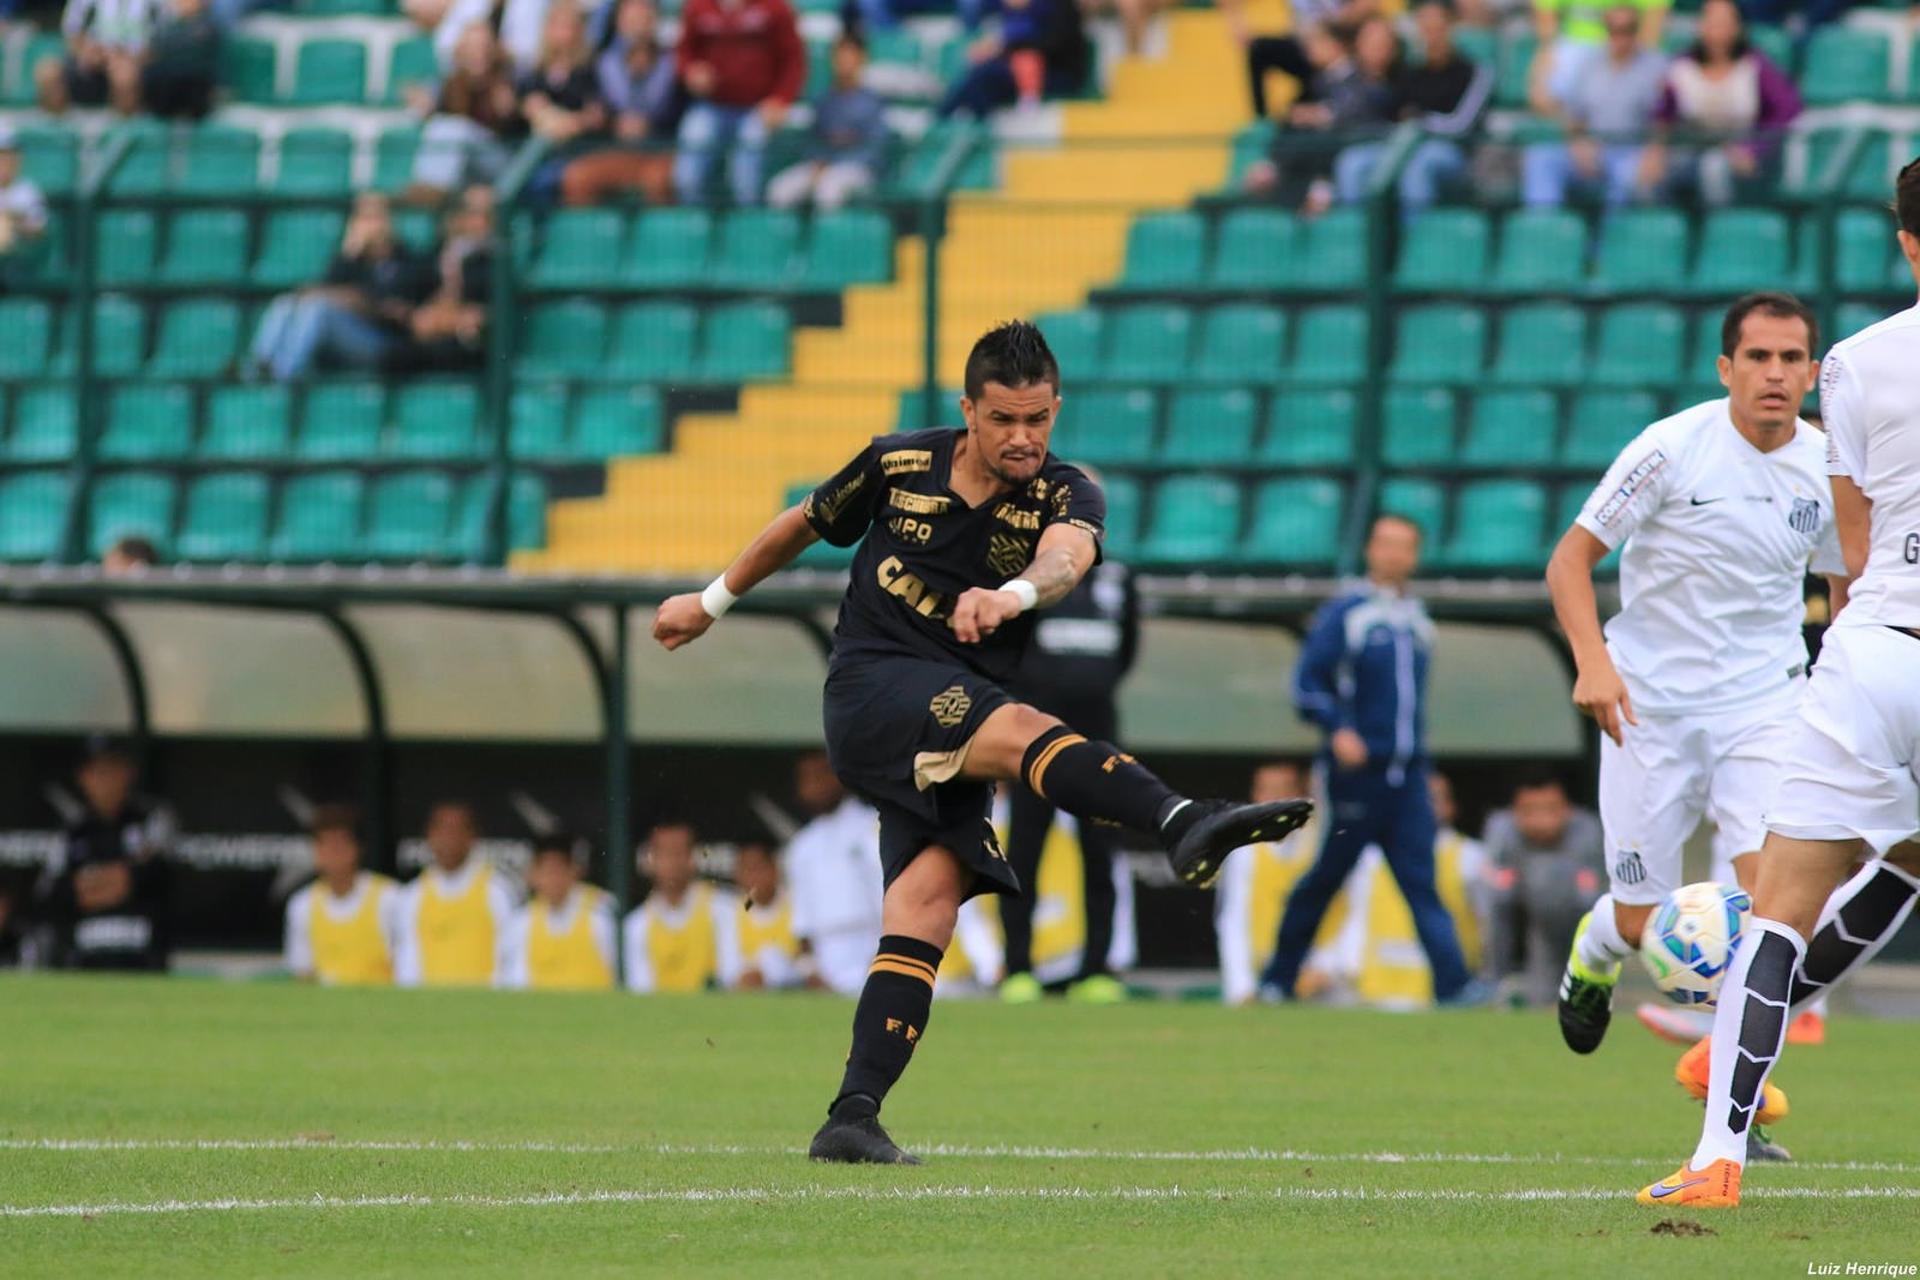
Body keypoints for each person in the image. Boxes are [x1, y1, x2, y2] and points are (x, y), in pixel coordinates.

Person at [651, 320, 1310, 1164]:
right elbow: (805, 523)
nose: (1024, 437)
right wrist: (709, 603)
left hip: (957, 707)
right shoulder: (898, 462)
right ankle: (1180, 818)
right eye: (1004, 419)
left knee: (925, 906)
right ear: (969, 411)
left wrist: (1016, 594)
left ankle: (852, 1114)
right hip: (873, 688)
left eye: (1038, 419)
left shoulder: (1069, 493)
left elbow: (1069, 558)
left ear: (1055, 410)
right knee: (1030, 730)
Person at [1546, 291, 1920, 1164]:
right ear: (1726, 369)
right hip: (1650, 706)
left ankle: (1730, 1116)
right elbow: (1571, 559)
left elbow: (1845, 580)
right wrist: (1593, 661)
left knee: (1775, 914)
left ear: (1813, 372)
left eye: (1794, 360)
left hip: (1766, 703)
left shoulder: (1829, 462)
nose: (1777, 375)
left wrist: (1843, 667)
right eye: (1759, 358)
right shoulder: (1672, 448)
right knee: (1652, 924)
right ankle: (1600, 940)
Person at [1638, 162, 1920, 1209]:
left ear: (1904, 241)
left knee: (1787, 906)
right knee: (1898, 863)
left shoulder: (1851, 362)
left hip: (1881, 636)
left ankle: (1717, 1151)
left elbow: (1855, 541)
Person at [1261, 515, 1486, 1006]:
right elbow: (1307, 684)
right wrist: (1339, 729)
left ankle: (1454, 985)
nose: (1395, 555)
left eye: (1405, 546)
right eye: (1386, 544)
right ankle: (1278, 978)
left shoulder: (1417, 619)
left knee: (1420, 881)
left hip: (1406, 776)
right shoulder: (1348, 612)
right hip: (1355, 777)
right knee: (1325, 877)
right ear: (1370, 549)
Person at [1000, 555, 1138, 1005]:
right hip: (1036, 735)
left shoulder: (1119, 578)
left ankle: (1096, 969)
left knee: (1100, 853)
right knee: (1024, 852)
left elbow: (1126, 650)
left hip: (1098, 735)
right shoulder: (1027, 569)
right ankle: (1018, 968)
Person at [247, 192, 432, 382]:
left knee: (318, 311)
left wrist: (352, 300)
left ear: (392, 221)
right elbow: (327, 289)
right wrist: (349, 254)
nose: (371, 226)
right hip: (342, 338)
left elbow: (392, 311)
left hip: (383, 344)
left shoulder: (409, 261)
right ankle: (255, 371)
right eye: (364, 218)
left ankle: (283, 378)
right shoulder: (351, 261)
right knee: (286, 303)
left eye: (376, 217)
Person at [1331, 0, 1493, 215]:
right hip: (1402, 146)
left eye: (1438, 25)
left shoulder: (1474, 70)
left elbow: (1462, 124)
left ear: (1452, 26)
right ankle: (1358, 238)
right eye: (1426, 25)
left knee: (1417, 166)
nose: (1432, 33)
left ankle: (1414, 242)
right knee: (1353, 163)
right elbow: (1391, 117)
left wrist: (1421, 123)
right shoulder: (1409, 72)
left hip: (1450, 151)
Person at [1640, 0, 1800, 207]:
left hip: (1744, 156)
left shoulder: (1754, 66)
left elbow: (1787, 110)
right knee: (1650, 173)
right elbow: (1663, 113)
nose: (1716, 29)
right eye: (1711, 21)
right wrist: (1656, 150)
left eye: (1723, 22)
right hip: (1692, 148)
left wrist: (1753, 149)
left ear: (1738, 27)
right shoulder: (1682, 67)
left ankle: (1720, 230)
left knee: (1713, 168)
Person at [34, 737, 174, 971]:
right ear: (82, 778)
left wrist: (97, 883)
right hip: (85, 955)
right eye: (97, 772)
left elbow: (152, 876)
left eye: (111, 770)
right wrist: (108, 882)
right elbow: (51, 893)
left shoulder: (151, 818)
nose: (104, 780)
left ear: (128, 773)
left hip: (142, 953)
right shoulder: (72, 833)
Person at [1243, 18, 1401, 213]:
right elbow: (1292, 119)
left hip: (1347, 148)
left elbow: (1363, 113)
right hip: (1310, 156)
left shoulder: (1366, 79)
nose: (1311, 48)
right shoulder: (1317, 81)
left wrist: (1324, 115)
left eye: (1317, 41)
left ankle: (1316, 186)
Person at [1521, 6, 1668, 209]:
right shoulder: (1590, 63)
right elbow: (1575, 114)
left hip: (1632, 150)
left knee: (1627, 177)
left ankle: (1609, 240)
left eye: (1628, 30)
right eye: (1614, 30)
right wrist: (1578, 143)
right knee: (1542, 157)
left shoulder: (1656, 66)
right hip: (1594, 147)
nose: (1620, 37)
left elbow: (1665, 119)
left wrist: (1655, 151)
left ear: (1637, 31)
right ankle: (1545, 232)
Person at [1481, 771, 1604, 1006]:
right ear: (1514, 812)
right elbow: (1497, 889)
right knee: (1495, 900)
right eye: (1530, 811)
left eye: (1550, 810)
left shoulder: (1586, 831)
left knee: (1592, 912)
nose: (1541, 821)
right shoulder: (1502, 830)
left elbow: (1590, 897)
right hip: (1528, 913)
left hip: (1571, 913)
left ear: (1567, 809)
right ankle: (1494, 982)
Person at [673, 0, 806, 205]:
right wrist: (691, 71)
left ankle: (748, 230)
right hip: (711, 105)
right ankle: (696, 227)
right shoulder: (698, 6)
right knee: (687, 172)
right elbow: (683, 52)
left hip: (757, 107)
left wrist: (781, 99)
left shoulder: (774, 7)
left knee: (745, 178)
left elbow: (793, 59)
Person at [1214, 761, 1322, 1005]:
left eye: (1283, 790)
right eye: (1266, 791)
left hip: (1317, 982)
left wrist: (1327, 967)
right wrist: (1241, 985)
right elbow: (1232, 920)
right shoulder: (1243, 849)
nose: (1273, 800)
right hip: (1260, 980)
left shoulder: (1320, 845)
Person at [558, 0, 682, 207]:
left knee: (658, 180)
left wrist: (651, 125)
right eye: (632, 18)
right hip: (614, 148)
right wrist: (610, 120)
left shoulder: (673, 62)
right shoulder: (601, 63)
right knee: (578, 178)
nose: (639, 25)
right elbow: (591, 105)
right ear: (619, 22)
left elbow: (681, 110)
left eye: (645, 17)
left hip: (661, 149)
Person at [785, 753, 886, 995]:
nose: (815, 785)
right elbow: (802, 924)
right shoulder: (801, 846)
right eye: (807, 779)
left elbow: (892, 898)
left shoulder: (873, 826)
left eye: (822, 775)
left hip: (874, 948)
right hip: (826, 963)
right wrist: (811, 972)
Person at [392, 801, 518, 986]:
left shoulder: (498, 890)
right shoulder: (411, 895)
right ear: (429, 836)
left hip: (486, 1008)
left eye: (456, 830)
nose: (448, 838)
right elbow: (406, 961)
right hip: (427, 1008)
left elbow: (510, 958)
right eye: (442, 830)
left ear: (472, 837)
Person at [765, 33, 889, 213]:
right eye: (839, 56)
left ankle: (829, 239)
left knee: (829, 190)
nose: (844, 62)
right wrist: (818, 163)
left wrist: (833, 165)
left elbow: (876, 148)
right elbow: (812, 141)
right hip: (820, 165)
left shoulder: (872, 102)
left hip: (858, 167)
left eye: (850, 56)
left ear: (862, 59)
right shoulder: (823, 101)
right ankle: (784, 239)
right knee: (779, 189)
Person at [405, 23, 523, 206]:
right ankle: (432, 188)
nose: (479, 54)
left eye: (484, 47)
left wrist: (511, 112)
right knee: (442, 127)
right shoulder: (451, 83)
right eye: (472, 48)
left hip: (500, 160)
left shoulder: (510, 81)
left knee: (453, 128)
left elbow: (519, 131)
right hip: (464, 165)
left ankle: (433, 191)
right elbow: (422, 102)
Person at [283, 805, 402, 985]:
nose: (332, 853)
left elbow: (407, 967)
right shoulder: (301, 905)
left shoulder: (391, 897)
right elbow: (304, 976)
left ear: (357, 849)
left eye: (339, 844)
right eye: (325, 844)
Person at [621, 822, 743, 993]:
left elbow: (733, 976)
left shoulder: (724, 909)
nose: (672, 862)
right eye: (664, 853)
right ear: (651, 860)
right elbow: (641, 992)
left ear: (692, 858)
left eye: (679, 852)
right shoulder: (636, 924)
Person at [390, 184, 493, 375]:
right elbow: (407, 302)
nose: (482, 222)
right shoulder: (435, 255)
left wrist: (445, 320)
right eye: (473, 213)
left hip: (467, 346)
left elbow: (481, 315)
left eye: (489, 214)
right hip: (423, 340)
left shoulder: (494, 263)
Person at [1222, 0, 1381, 120]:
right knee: (1259, 49)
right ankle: (1261, 118)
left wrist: (1333, 25)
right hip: (1307, 44)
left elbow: (1370, 5)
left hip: (1340, 40)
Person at [498, 835, 616, 990]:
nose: (553, 879)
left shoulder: (602, 910)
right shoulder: (520, 922)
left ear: (574, 871)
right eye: (546, 871)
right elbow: (512, 980)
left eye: (558, 870)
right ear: (533, 875)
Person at [938, 0, 1090, 119]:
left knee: (985, 76)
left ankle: (948, 117)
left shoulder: (1058, 7)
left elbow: (1053, 45)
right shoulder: (1015, 12)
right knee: (980, 74)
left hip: (1056, 72)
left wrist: (1004, 47)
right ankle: (950, 116)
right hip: (1023, 68)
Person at [1528, 0, 1664, 115]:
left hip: (1625, 45)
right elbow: (1547, 32)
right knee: (1548, 94)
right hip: (1574, 43)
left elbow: (1650, 34)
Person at [36, 0, 163, 115]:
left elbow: (163, 38)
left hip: (137, 61)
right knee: (48, 73)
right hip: (94, 59)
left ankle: (126, 133)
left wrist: (129, 58)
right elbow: (72, 34)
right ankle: (58, 133)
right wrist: (85, 52)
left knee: (124, 77)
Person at [733, 841, 805, 989]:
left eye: (758, 868)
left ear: (775, 870)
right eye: (747, 870)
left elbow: (808, 960)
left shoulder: (797, 903)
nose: (753, 877)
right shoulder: (732, 912)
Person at [139, 0, 219, 119]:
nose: (182, 3)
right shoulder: (166, 29)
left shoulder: (209, 28)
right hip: (166, 93)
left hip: (196, 90)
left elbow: (215, 65)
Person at [0, 127, 49, 274]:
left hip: (18, 261)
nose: (4, 163)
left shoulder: (28, 191)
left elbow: (39, 229)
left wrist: (14, 222)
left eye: (9, 157)